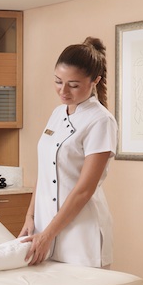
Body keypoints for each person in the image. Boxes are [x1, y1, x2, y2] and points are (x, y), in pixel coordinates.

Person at [20, 37, 116, 268]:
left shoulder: (101, 121)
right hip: (44, 226)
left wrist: (48, 234)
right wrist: (31, 217)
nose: (63, 91)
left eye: (73, 85)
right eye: (58, 81)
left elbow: (84, 190)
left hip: (81, 232)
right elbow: (45, 172)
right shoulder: (57, 114)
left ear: (95, 80)